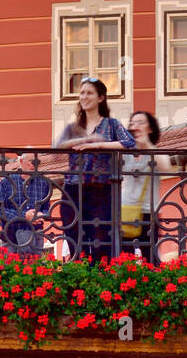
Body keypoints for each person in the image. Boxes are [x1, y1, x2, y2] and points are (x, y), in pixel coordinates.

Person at [54, 78, 135, 260]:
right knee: (75, 239)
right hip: (74, 188)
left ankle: (101, 282)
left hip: (101, 189)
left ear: (101, 98)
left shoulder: (111, 124)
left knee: (101, 241)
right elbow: (57, 147)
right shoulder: (73, 128)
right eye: (82, 93)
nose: (84, 97)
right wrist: (84, 141)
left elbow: (130, 143)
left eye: (89, 93)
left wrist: (101, 146)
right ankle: (80, 280)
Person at [121, 111, 174, 263]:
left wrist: (147, 145)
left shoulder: (155, 152)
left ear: (150, 129)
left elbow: (166, 167)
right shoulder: (125, 153)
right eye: (132, 123)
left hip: (149, 212)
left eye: (140, 122)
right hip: (125, 212)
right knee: (124, 258)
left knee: (150, 257)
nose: (135, 126)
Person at [0, 151, 52, 255]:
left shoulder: (44, 183)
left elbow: (46, 208)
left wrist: (41, 214)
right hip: (11, 235)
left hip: (35, 234)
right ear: (21, 161)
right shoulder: (7, 181)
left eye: (37, 162)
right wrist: (23, 216)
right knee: (10, 269)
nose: (34, 164)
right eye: (31, 161)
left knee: (35, 269)